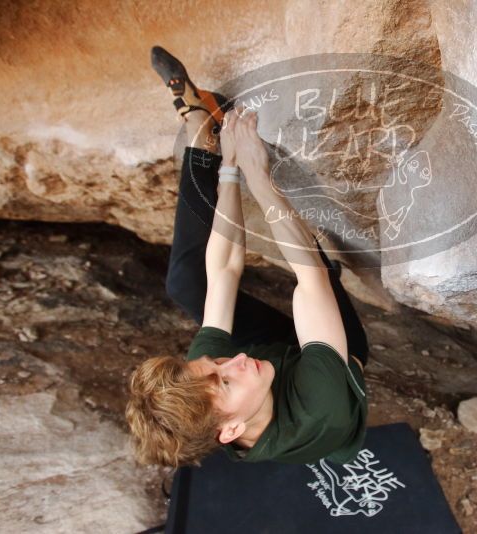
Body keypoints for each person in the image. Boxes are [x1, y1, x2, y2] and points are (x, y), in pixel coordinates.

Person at [125, 46, 370, 468]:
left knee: (186, 283)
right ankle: (215, 136)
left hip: (275, 371)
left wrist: (229, 170)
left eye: (215, 362)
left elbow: (223, 270)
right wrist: (257, 172)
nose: (233, 360)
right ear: (232, 431)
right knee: (312, 267)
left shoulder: (207, 388)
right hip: (335, 354)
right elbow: (307, 277)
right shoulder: (319, 406)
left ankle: (201, 125)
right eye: (224, 379)